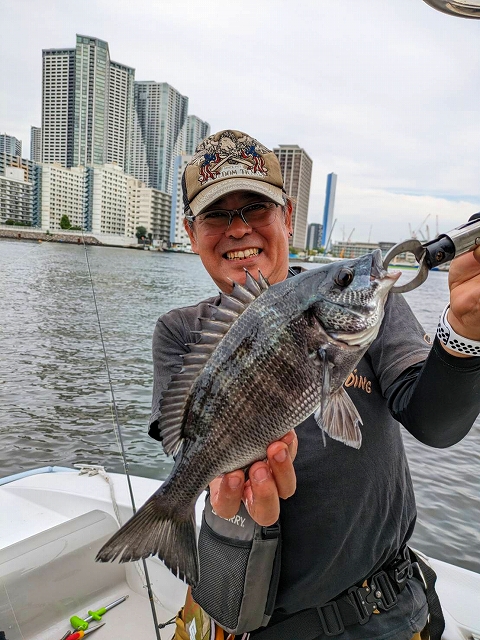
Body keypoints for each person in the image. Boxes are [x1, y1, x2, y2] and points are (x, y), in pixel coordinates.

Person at [148, 129, 480, 640]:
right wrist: (221, 496)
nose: (238, 230)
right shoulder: (180, 332)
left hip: (381, 616)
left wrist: (464, 330)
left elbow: (435, 422)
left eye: (256, 208)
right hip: (244, 617)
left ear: (287, 215)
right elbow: (192, 453)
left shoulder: (365, 300)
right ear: (192, 233)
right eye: (217, 215)